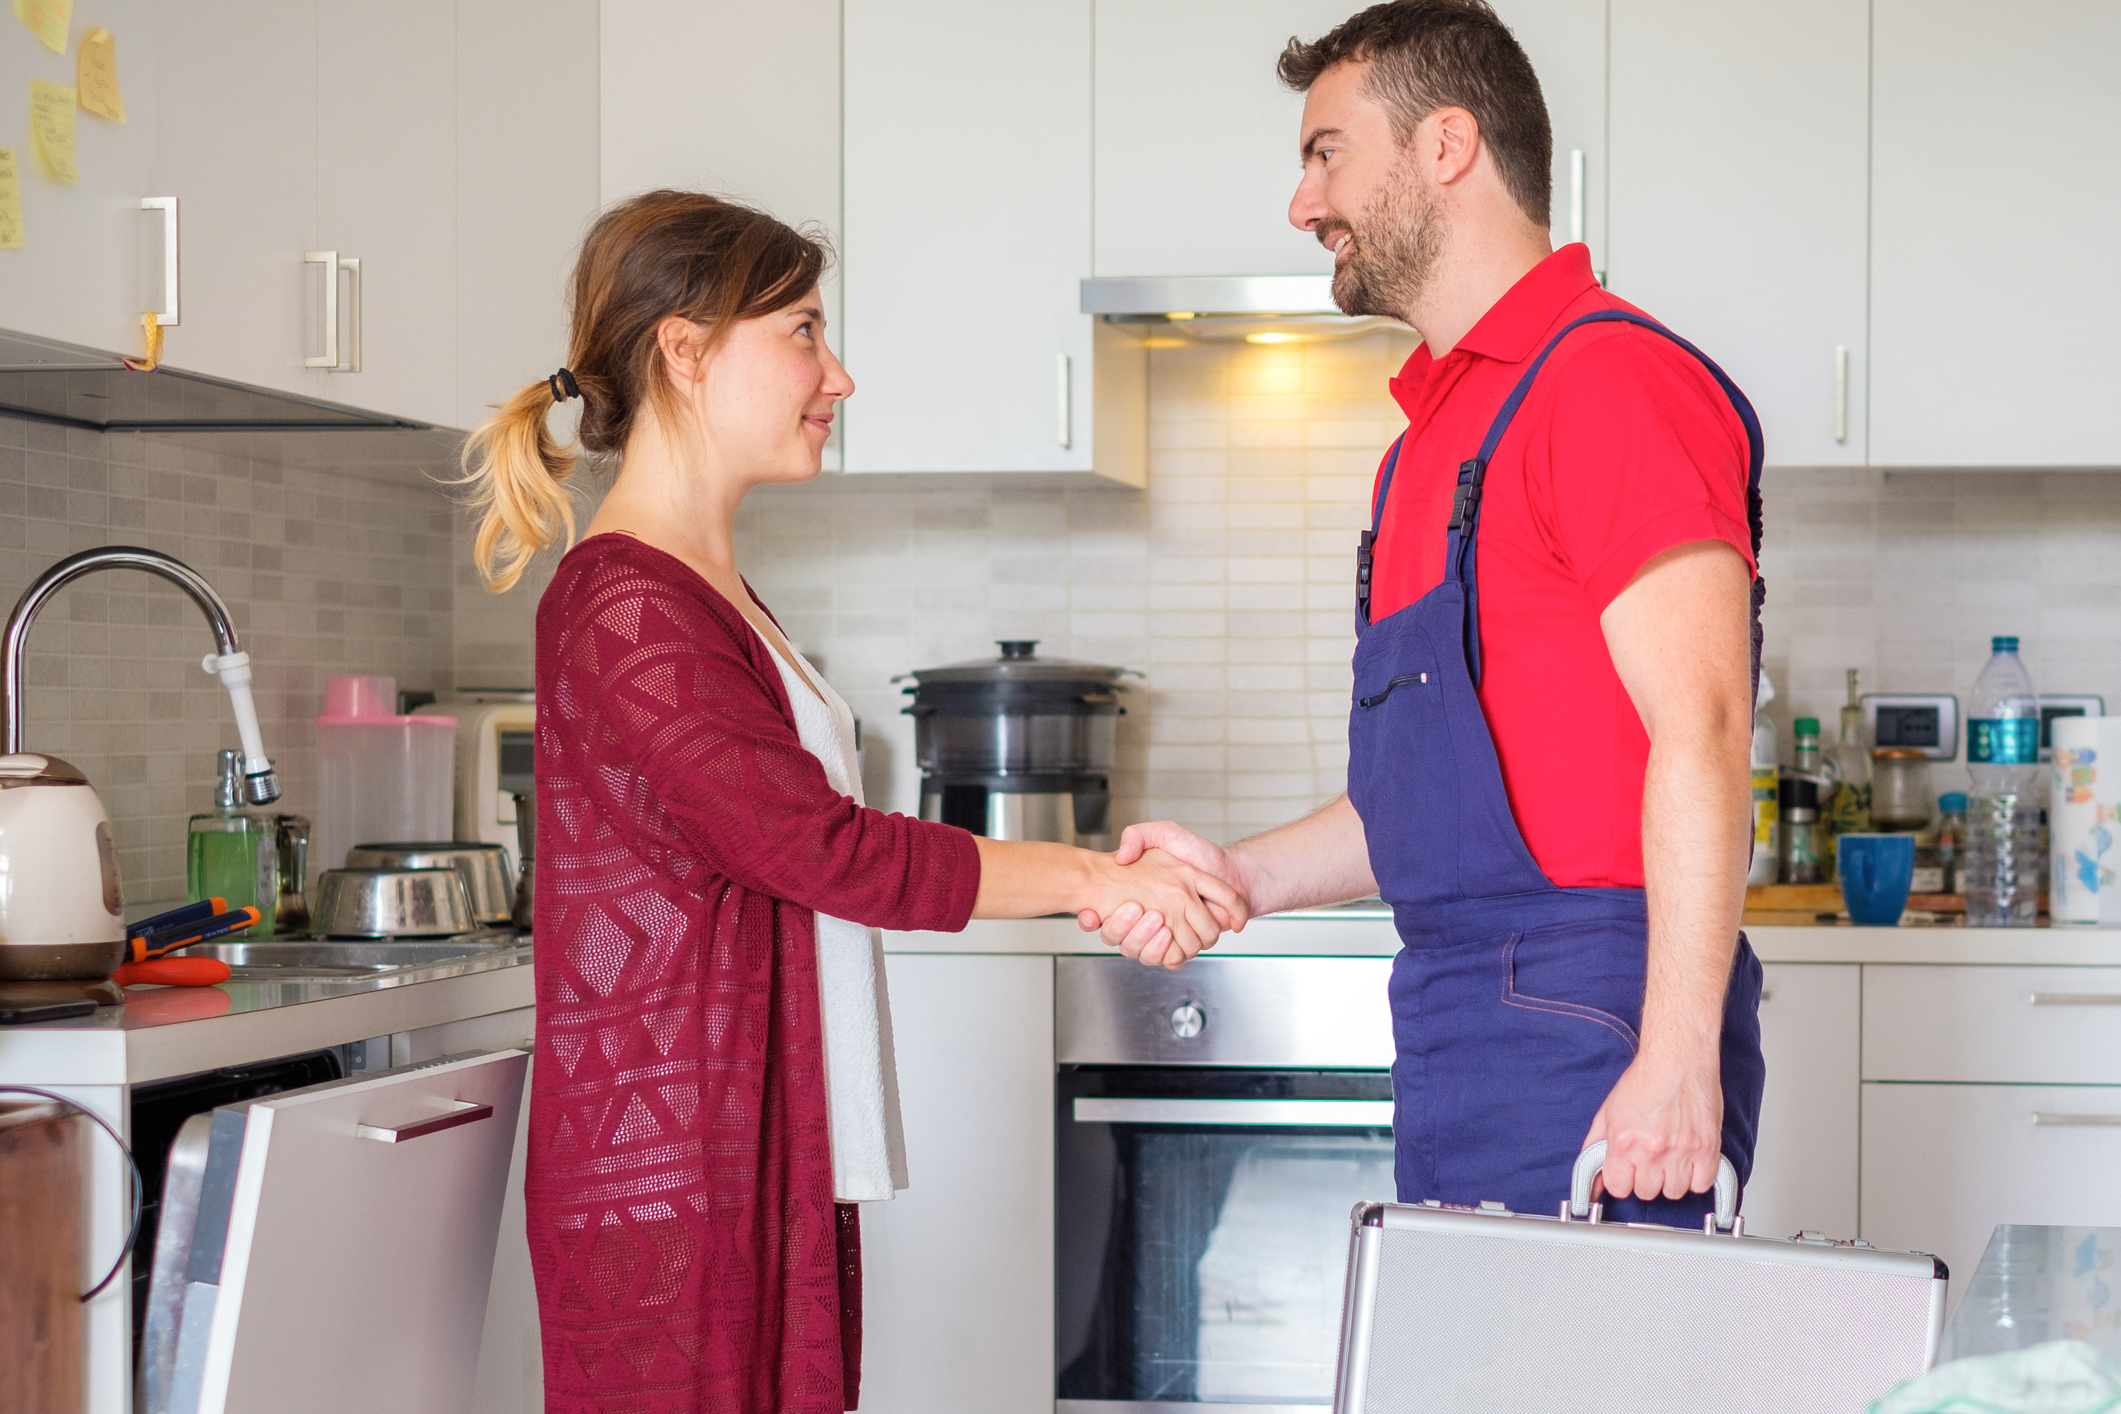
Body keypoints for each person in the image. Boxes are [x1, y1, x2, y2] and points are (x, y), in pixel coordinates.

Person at [460, 190, 1245, 1414]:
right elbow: (820, 848)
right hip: (679, 1180)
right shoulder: (628, 604)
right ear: (686, 348)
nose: (840, 375)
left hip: (755, 1152)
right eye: (804, 332)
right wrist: (1095, 878)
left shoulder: (706, 585)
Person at [1088, 0, 1766, 1229]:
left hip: (1591, 1011)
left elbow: (1706, 725)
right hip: (1458, 1010)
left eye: (1326, 151)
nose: (1302, 204)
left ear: (1447, 145)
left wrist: (1675, 1057)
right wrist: (1244, 874)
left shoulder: (1608, 383)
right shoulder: (1430, 446)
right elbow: (1435, 793)